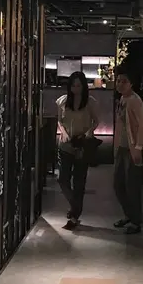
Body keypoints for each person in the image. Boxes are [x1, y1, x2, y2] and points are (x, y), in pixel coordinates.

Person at [57, 71, 99, 230]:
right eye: (73, 85)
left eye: (78, 85)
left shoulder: (90, 102)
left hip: (82, 144)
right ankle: (75, 207)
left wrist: (88, 132)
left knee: (79, 181)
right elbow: (60, 121)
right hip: (66, 144)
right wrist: (64, 133)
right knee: (63, 179)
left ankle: (74, 215)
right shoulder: (62, 101)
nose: (76, 88)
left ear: (83, 86)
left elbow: (96, 121)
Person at [113, 68, 143, 234]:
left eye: (124, 81)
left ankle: (136, 221)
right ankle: (129, 214)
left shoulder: (135, 101)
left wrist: (139, 147)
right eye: (118, 81)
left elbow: (142, 125)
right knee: (118, 185)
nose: (120, 84)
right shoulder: (123, 99)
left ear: (131, 83)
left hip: (133, 148)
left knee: (132, 186)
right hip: (122, 148)